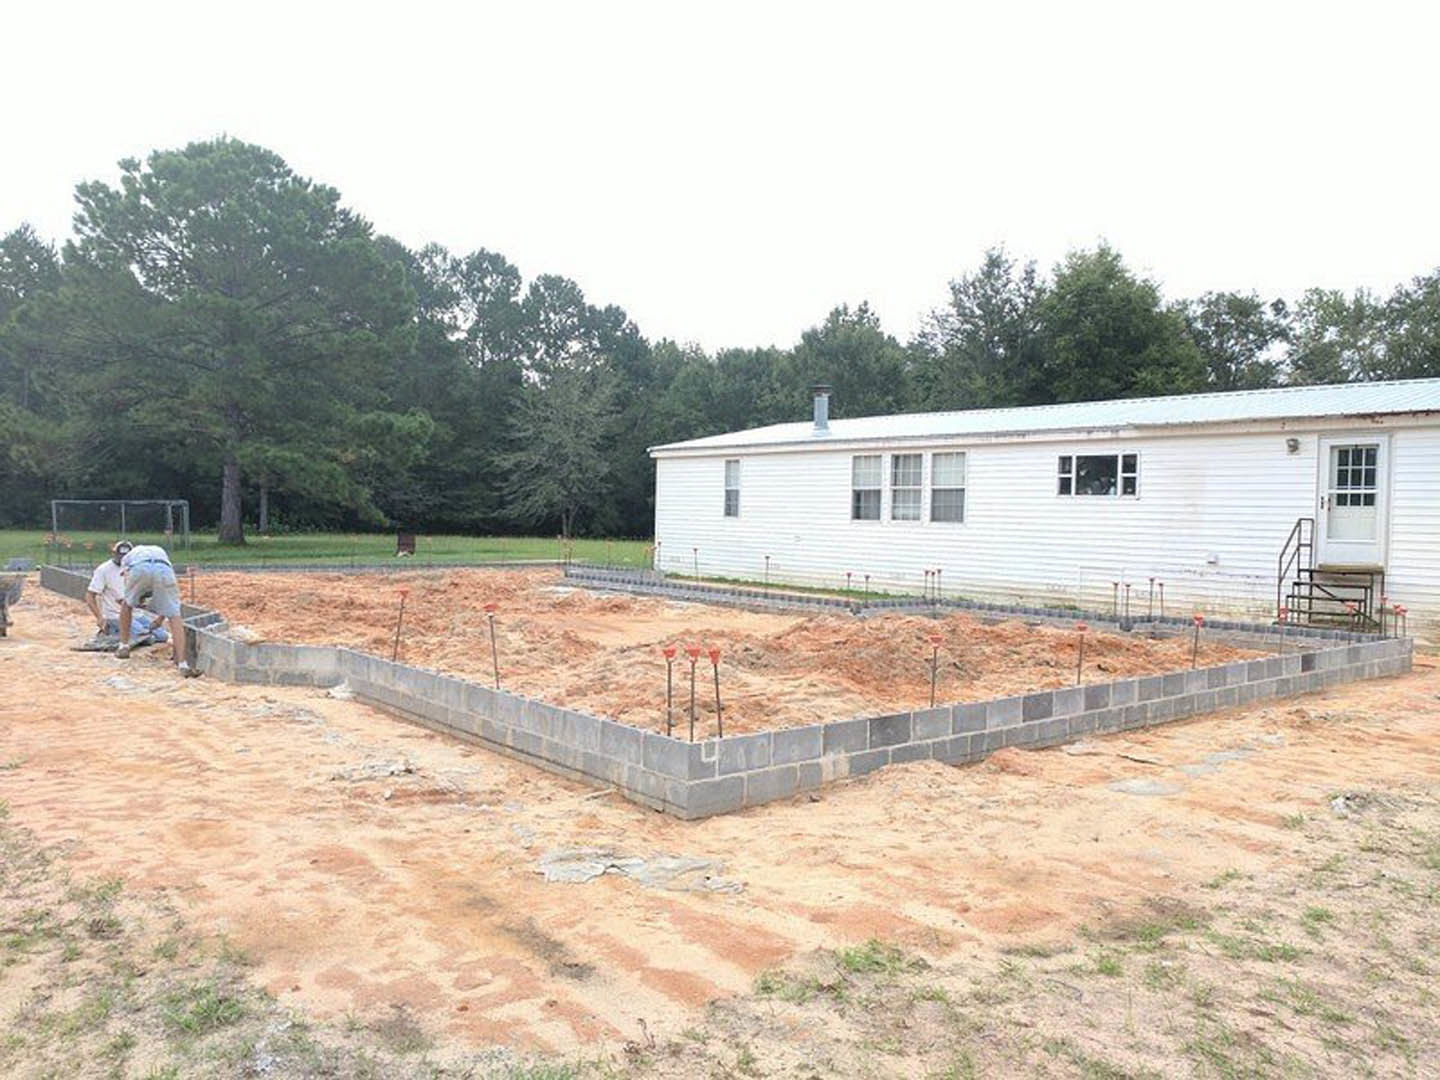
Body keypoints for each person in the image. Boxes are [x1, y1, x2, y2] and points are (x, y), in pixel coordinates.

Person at [116, 542, 196, 676]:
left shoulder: (127, 558)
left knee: (126, 605)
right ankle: (183, 664)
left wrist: (135, 600)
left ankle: (123, 646)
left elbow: (127, 583)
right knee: (175, 615)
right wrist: (159, 620)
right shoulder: (160, 551)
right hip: (164, 570)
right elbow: (166, 602)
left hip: (140, 568)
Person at [85, 540, 169, 643]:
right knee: (146, 638)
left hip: (137, 614)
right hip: (115, 615)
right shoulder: (103, 570)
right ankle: (112, 631)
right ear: (114, 554)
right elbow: (90, 595)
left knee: (162, 636)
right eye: (120, 556)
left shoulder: (135, 568)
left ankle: (124, 633)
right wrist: (99, 617)